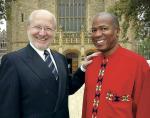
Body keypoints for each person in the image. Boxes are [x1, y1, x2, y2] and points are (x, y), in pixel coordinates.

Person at [0, 9, 98, 118]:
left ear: (54, 31)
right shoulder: (12, 61)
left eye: (48, 28)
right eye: (37, 27)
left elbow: (67, 88)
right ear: (28, 28)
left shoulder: (61, 58)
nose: (42, 33)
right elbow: (7, 109)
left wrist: (83, 68)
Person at [82, 12, 150, 118]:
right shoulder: (91, 63)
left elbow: (145, 110)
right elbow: (86, 107)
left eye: (104, 28)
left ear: (117, 31)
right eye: (94, 30)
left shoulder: (138, 64)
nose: (97, 34)